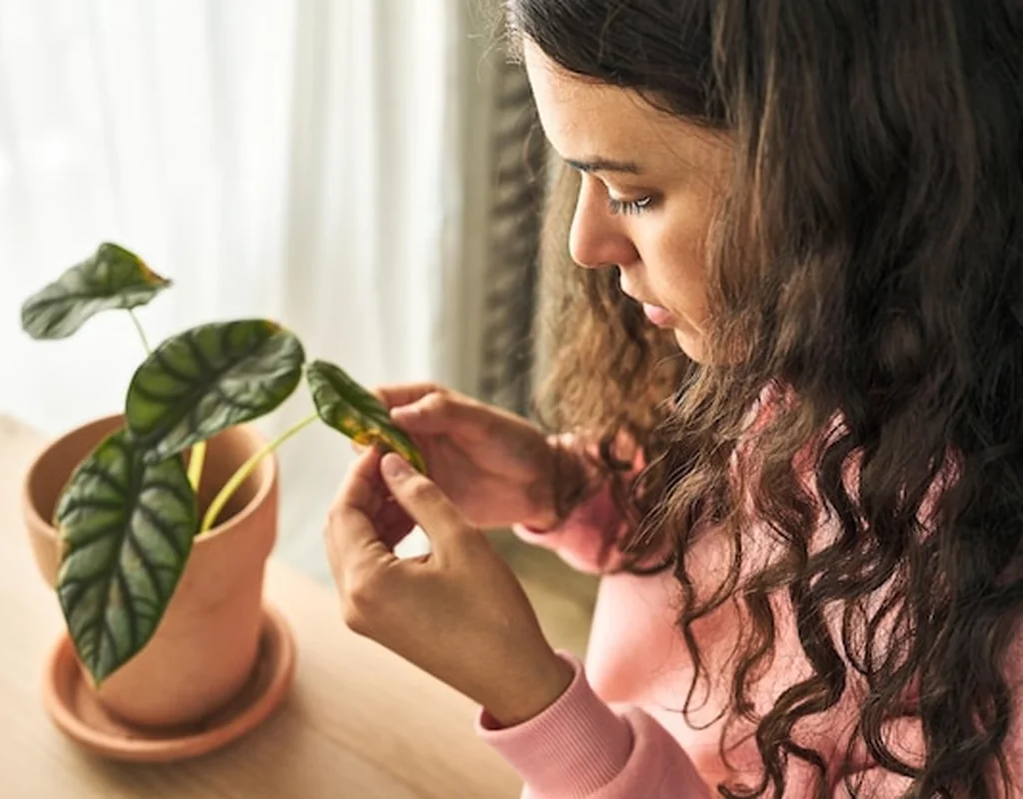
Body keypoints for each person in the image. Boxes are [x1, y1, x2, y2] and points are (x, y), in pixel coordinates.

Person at [322, 0, 1023, 795]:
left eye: (634, 193)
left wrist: (539, 707)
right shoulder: (802, 355)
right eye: (581, 177)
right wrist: (566, 489)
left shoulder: (991, 647)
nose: (584, 244)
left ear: (853, 180)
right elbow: (747, 542)